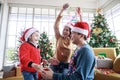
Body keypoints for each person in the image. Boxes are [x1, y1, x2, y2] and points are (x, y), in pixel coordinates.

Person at [49, 3, 73, 73]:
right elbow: (56, 26)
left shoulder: (72, 40)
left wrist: (79, 15)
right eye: (64, 29)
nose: (65, 31)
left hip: (66, 65)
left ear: (70, 32)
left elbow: (80, 32)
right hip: (55, 64)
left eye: (67, 30)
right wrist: (63, 9)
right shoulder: (59, 37)